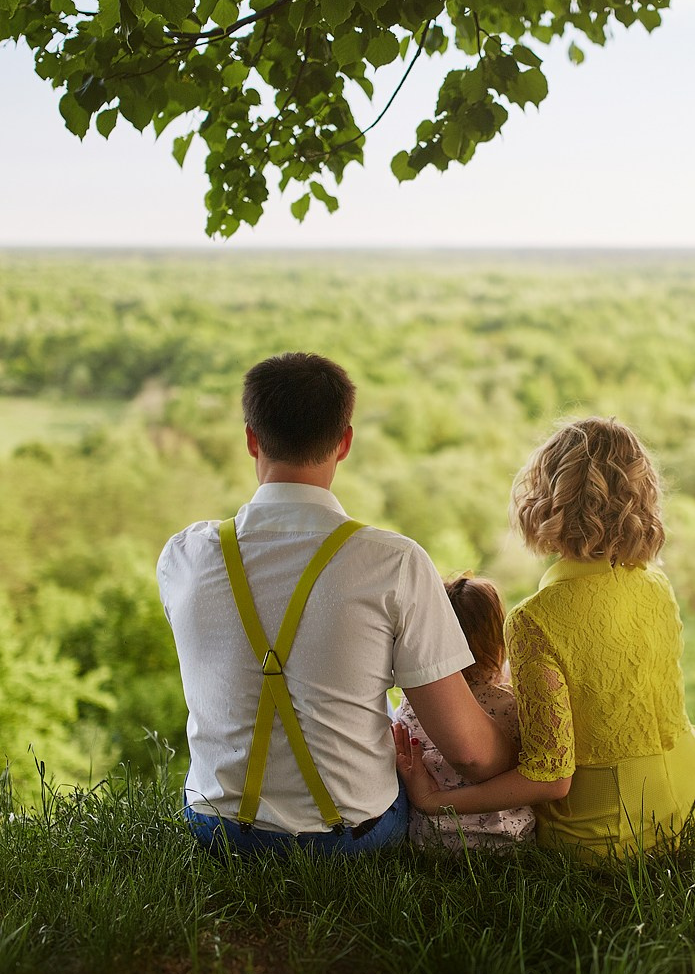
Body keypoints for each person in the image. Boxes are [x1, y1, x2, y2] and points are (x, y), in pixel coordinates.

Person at [160, 352, 512, 856]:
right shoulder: (394, 563)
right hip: (348, 839)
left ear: (251, 439)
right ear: (344, 442)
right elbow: (471, 754)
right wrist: (529, 750)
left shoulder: (184, 556)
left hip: (214, 828)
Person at [395, 417, 695, 859]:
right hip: (693, 800)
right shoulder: (656, 585)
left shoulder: (534, 619)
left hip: (607, 831)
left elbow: (551, 779)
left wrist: (437, 802)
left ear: (544, 501)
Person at [391, 576, 537, 850]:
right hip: (505, 840)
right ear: (498, 641)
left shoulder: (413, 705)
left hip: (430, 840)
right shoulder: (511, 706)